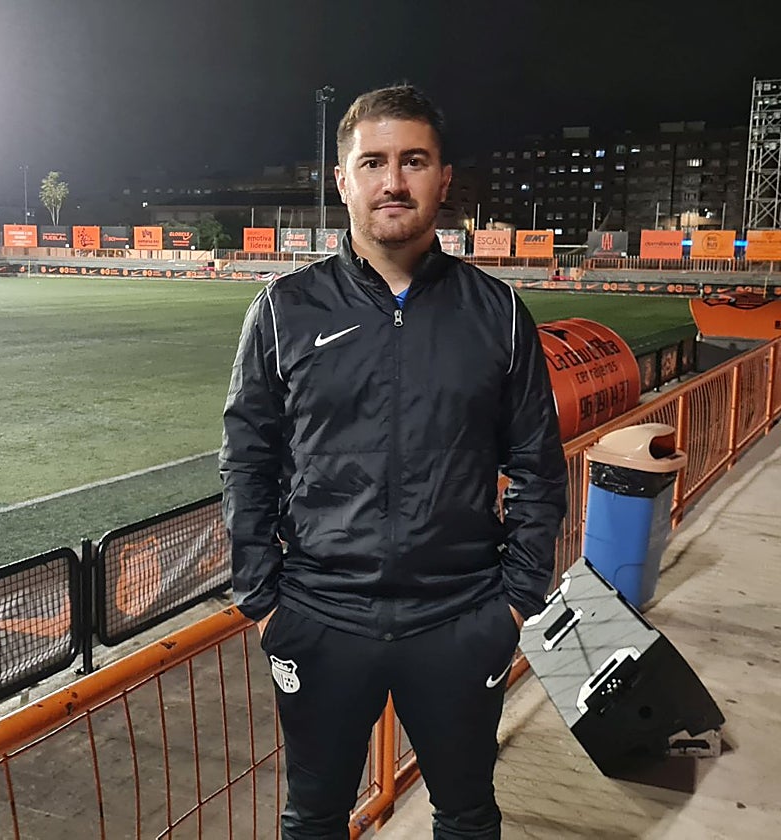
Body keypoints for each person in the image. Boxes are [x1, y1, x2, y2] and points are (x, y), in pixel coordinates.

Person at [220, 85, 568, 839]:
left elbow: (540, 465)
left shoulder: (499, 312)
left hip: (459, 616)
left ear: (443, 179)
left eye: (414, 161)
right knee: (313, 818)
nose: (393, 180)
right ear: (343, 180)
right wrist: (265, 598)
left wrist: (513, 602)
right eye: (372, 162)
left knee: (467, 815)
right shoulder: (284, 310)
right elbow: (246, 458)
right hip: (319, 615)